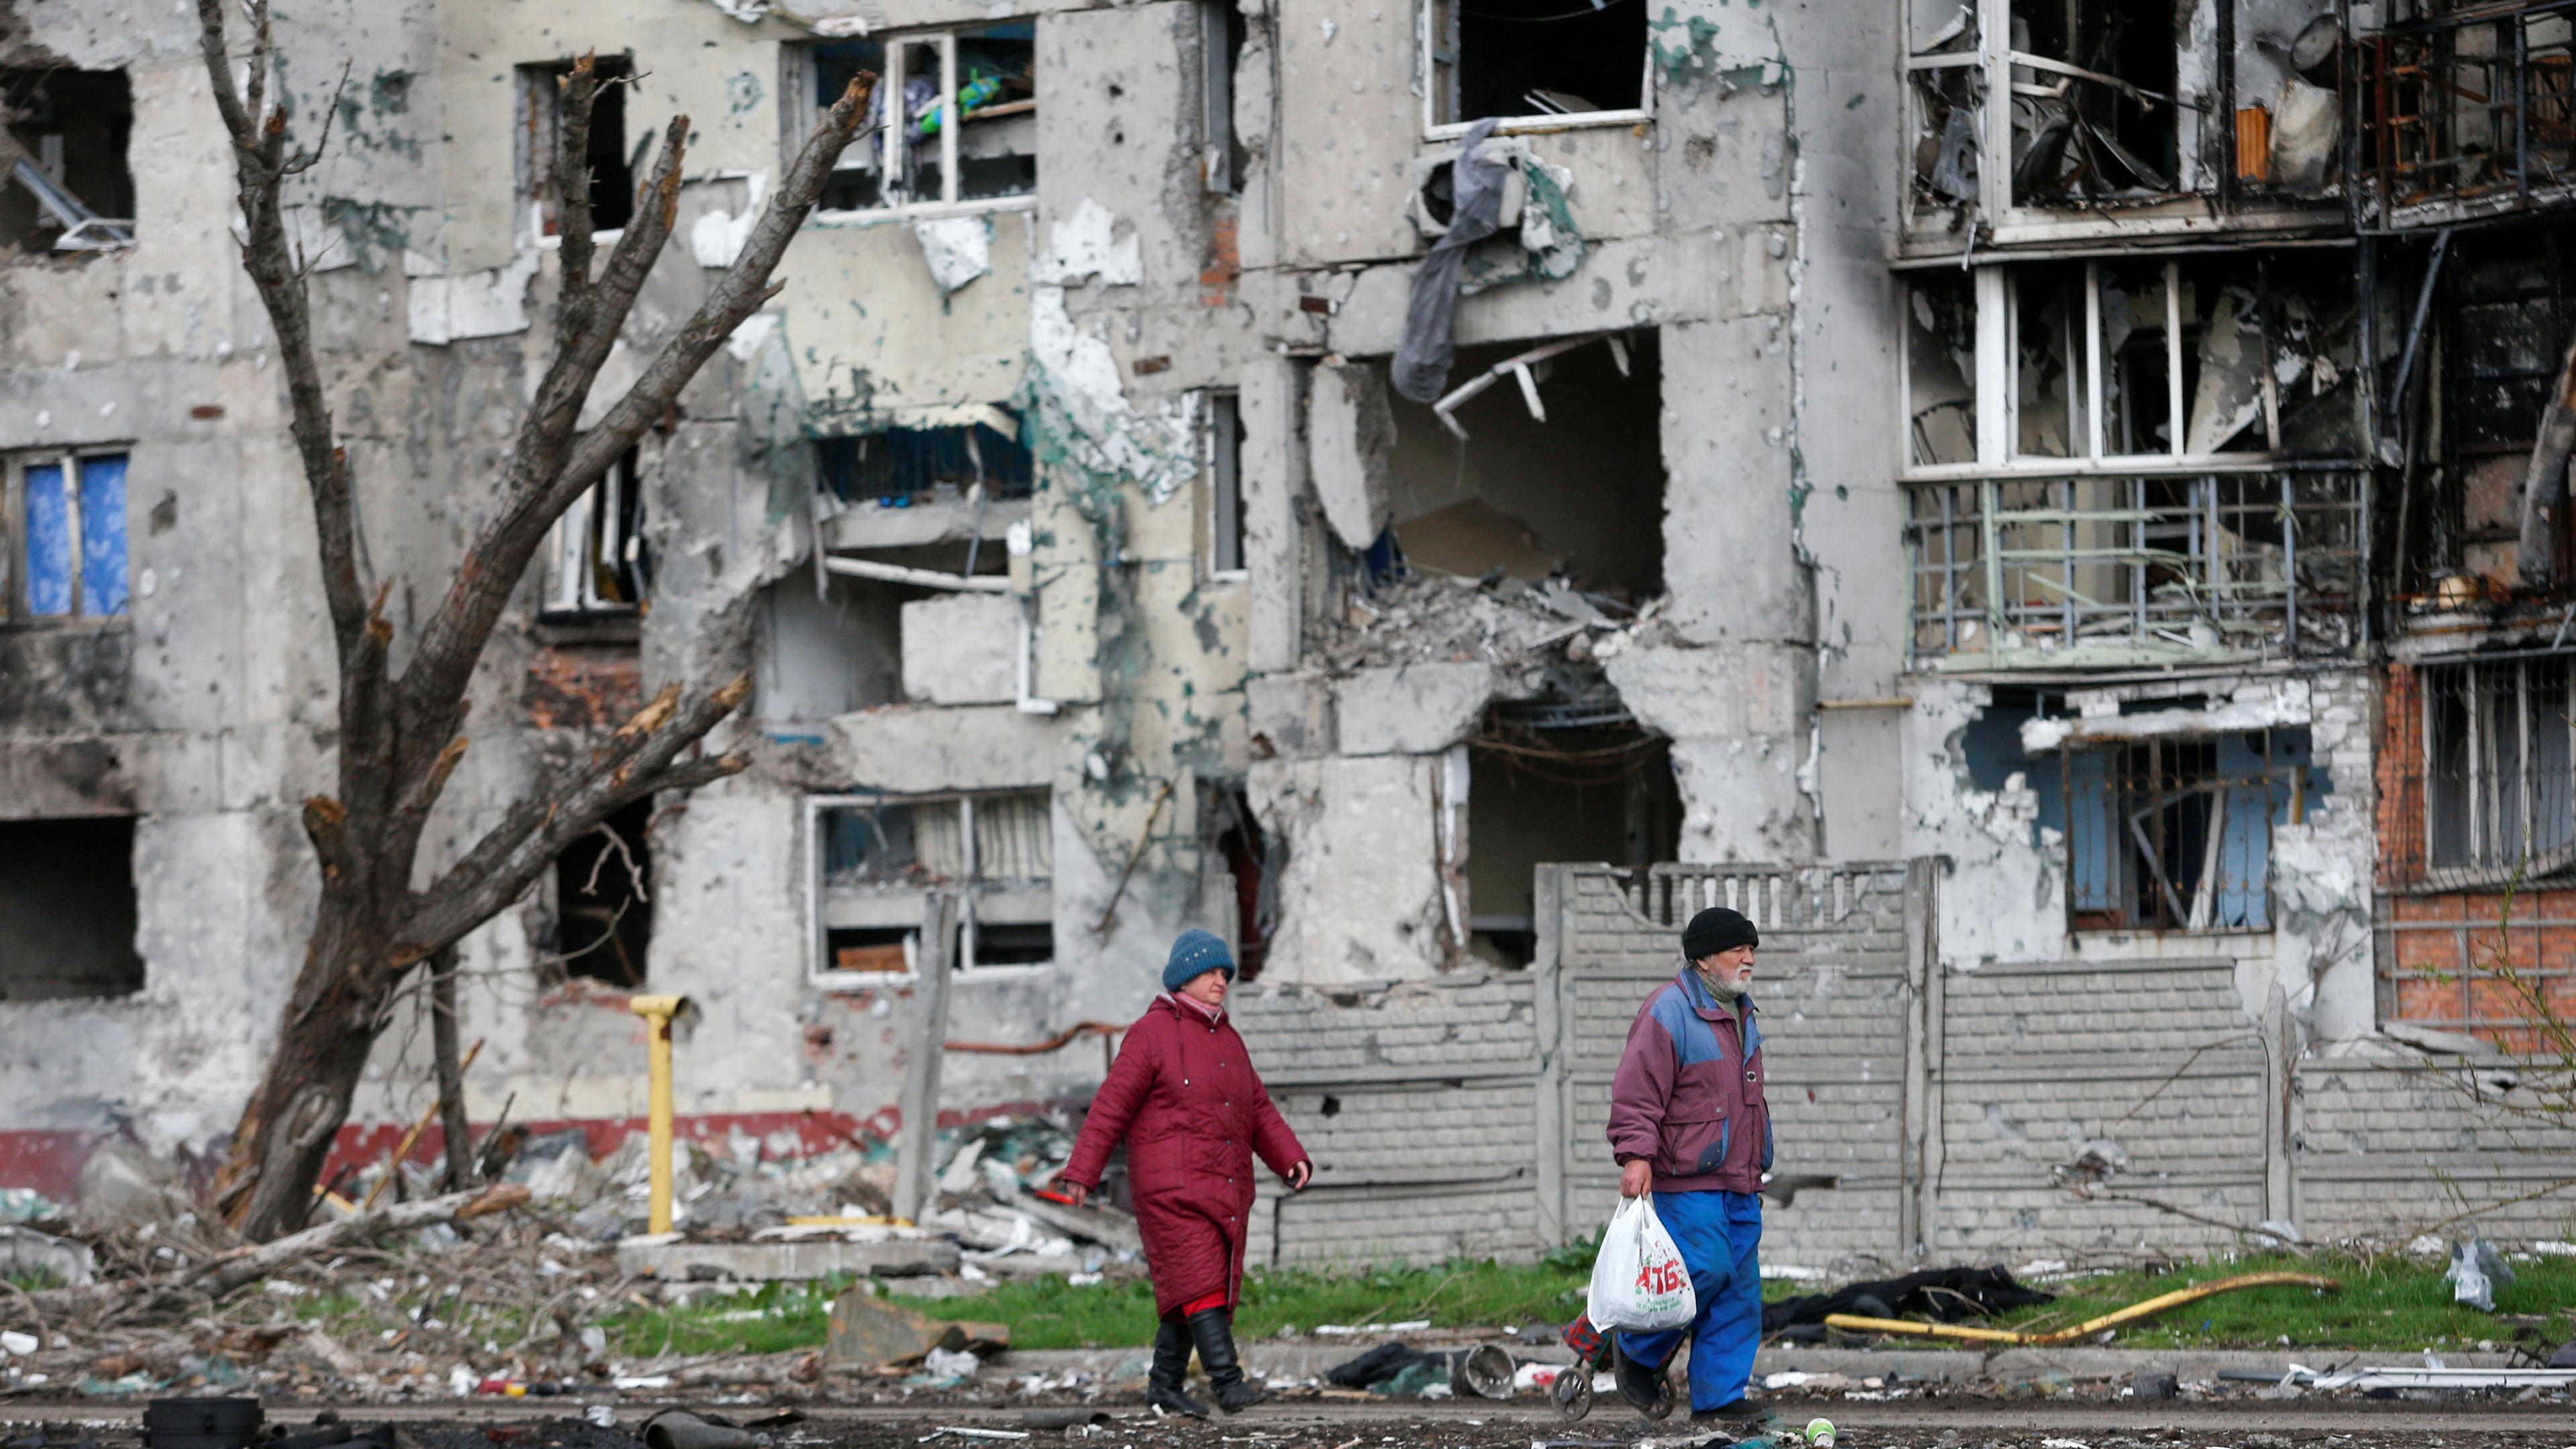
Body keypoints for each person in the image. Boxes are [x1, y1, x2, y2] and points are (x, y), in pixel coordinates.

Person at [1058, 929, 1313, 1417]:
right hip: (1169, 1189)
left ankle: (1164, 1387)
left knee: (1189, 1290)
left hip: (1225, 1185)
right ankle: (1228, 1383)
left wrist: (1289, 1157)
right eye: (1209, 971)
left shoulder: (1229, 1039)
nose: (1220, 980)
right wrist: (1082, 1173)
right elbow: (1111, 1106)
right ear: (1183, 977)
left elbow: (1256, 1108)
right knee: (1201, 1284)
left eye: (1225, 973)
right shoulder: (1150, 1034)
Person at [1604, 906, 1771, 1427]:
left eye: (1752, 950)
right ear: (1703, 958)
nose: (1749, 959)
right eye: (1737, 949)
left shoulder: (1740, 1012)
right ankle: (1635, 1348)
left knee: (1740, 1290)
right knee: (1704, 1269)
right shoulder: (1668, 1012)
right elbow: (1637, 1094)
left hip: (1738, 1179)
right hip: (1686, 1179)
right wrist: (1636, 1155)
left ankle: (1719, 1398)